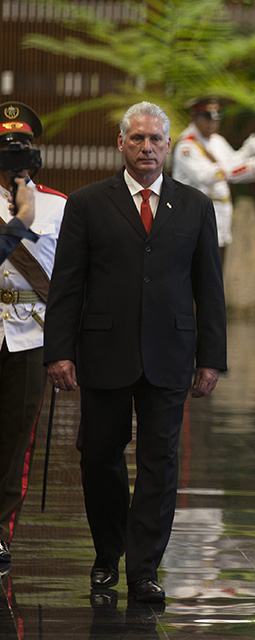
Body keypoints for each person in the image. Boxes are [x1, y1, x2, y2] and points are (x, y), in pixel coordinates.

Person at [44, 101, 227, 604]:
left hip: (170, 351)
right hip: (103, 350)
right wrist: (58, 351)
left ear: (169, 146)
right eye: (138, 139)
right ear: (120, 144)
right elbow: (67, 285)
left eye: (156, 140)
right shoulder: (87, 204)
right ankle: (108, 555)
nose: (147, 148)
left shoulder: (195, 206)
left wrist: (211, 358)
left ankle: (144, 568)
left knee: (160, 463)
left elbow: (210, 288)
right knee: (98, 456)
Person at [0, 102, 65, 570]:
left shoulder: (61, 207)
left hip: (30, 334)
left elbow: (72, 279)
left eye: (22, 151)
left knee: (15, 438)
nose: (14, 161)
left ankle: (0, 531)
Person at [170, 95, 255, 262]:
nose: (212, 123)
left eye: (217, 118)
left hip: (220, 216)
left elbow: (234, 170)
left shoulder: (217, 141)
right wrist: (252, 157)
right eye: (207, 118)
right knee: (195, 276)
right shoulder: (186, 146)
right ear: (194, 117)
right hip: (194, 219)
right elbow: (209, 175)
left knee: (216, 274)